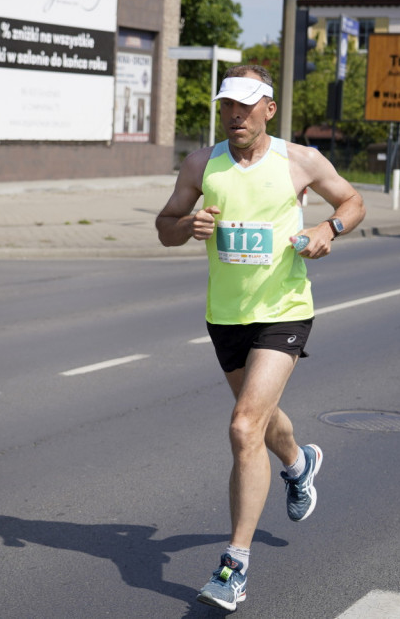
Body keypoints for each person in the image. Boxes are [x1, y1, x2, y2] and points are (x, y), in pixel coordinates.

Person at [156, 65, 365, 611]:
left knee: (244, 425)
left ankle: (234, 566)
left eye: (246, 106)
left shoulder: (299, 160)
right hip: (225, 317)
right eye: (227, 105)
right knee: (261, 419)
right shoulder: (202, 163)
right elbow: (165, 227)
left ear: (269, 109)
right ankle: (299, 463)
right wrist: (187, 227)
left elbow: (353, 202)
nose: (235, 115)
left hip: (285, 310)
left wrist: (328, 229)